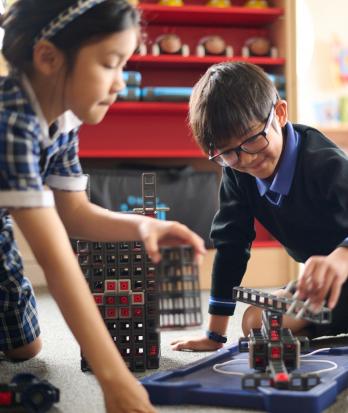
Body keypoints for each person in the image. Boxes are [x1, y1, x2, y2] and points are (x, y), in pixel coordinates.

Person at [0, 1, 206, 412]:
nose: (121, 84)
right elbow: (56, 261)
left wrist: (142, 228)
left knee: (27, 348)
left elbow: (74, 214)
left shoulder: (62, 122)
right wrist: (114, 379)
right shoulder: (11, 122)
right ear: (48, 57)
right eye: (110, 64)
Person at [171, 61, 348, 352]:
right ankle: (318, 306)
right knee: (254, 322)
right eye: (228, 152)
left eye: (253, 139)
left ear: (280, 114)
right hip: (324, 285)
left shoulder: (323, 162)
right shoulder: (237, 173)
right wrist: (214, 335)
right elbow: (231, 243)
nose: (247, 159)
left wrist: (342, 256)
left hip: (342, 269)